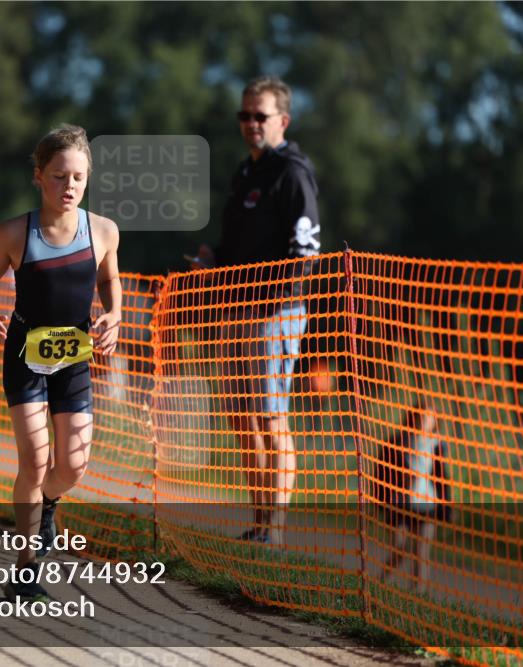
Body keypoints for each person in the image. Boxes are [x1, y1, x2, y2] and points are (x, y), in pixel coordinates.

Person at [0, 124, 121, 600]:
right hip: (25, 355)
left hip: (74, 357)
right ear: (39, 176)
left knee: (73, 466)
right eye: (58, 176)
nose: (69, 186)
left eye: (78, 177)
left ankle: (48, 504)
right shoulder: (14, 233)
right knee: (34, 461)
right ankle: (26, 567)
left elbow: (108, 281)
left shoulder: (103, 231)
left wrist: (114, 314)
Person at [189, 75, 321, 542]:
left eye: (259, 116)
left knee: (270, 416)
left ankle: (276, 531)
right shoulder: (245, 173)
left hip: (274, 314)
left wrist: (275, 302)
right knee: (241, 418)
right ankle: (260, 522)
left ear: (283, 120)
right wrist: (212, 261)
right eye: (244, 115)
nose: (250, 123)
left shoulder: (292, 173)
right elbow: (235, 247)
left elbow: (306, 250)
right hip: (235, 312)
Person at [376, 399, 452, 595]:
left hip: (426, 505)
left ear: (435, 421)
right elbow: (382, 472)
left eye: (429, 418)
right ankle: (379, 584)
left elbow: (442, 478)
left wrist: (445, 507)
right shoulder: (398, 442)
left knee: (421, 552)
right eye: (421, 416)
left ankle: (418, 593)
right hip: (400, 504)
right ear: (413, 417)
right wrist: (382, 499)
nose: (424, 421)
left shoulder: (436, 446)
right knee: (399, 550)